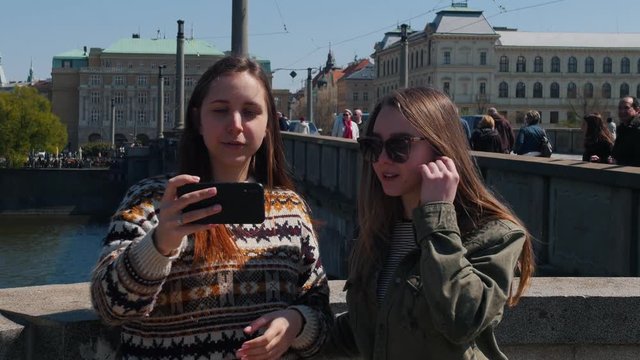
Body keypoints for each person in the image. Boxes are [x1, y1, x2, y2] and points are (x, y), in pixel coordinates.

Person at [91, 56, 331, 360]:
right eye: (220, 111)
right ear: (197, 120)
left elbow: (320, 315)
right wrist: (160, 243)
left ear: (269, 124)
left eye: (250, 112)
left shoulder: (290, 208)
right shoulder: (150, 201)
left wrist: (296, 322)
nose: (235, 124)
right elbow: (108, 307)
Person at [322, 87, 534, 359]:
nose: (382, 158)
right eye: (373, 145)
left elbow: (462, 321)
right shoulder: (377, 229)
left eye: (400, 146)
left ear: (439, 147)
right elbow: (367, 328)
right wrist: (301, 329)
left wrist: (437, 216)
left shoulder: (494, 234)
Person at [611, 96, 640, 166]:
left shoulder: (638, 130)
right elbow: (616, 154)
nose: (622, 111)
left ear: (637, 110)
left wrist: (619, 162)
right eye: (620, 108)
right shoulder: (622, 129)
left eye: (626, 108)